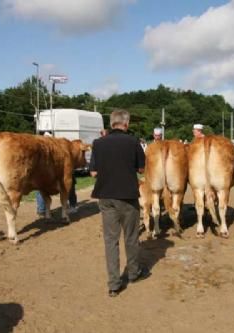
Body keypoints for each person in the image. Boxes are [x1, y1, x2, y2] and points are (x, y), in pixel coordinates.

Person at [89, 109, 150, 297]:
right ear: (126, 123)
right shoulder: (134, 142)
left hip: (106, 197)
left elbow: (93, 173)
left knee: (110, 240)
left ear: (111, 123)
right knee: (131, 237)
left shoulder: (98, 144)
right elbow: (141, 169)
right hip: (128, 197)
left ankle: (114, 284)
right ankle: (133, 273)